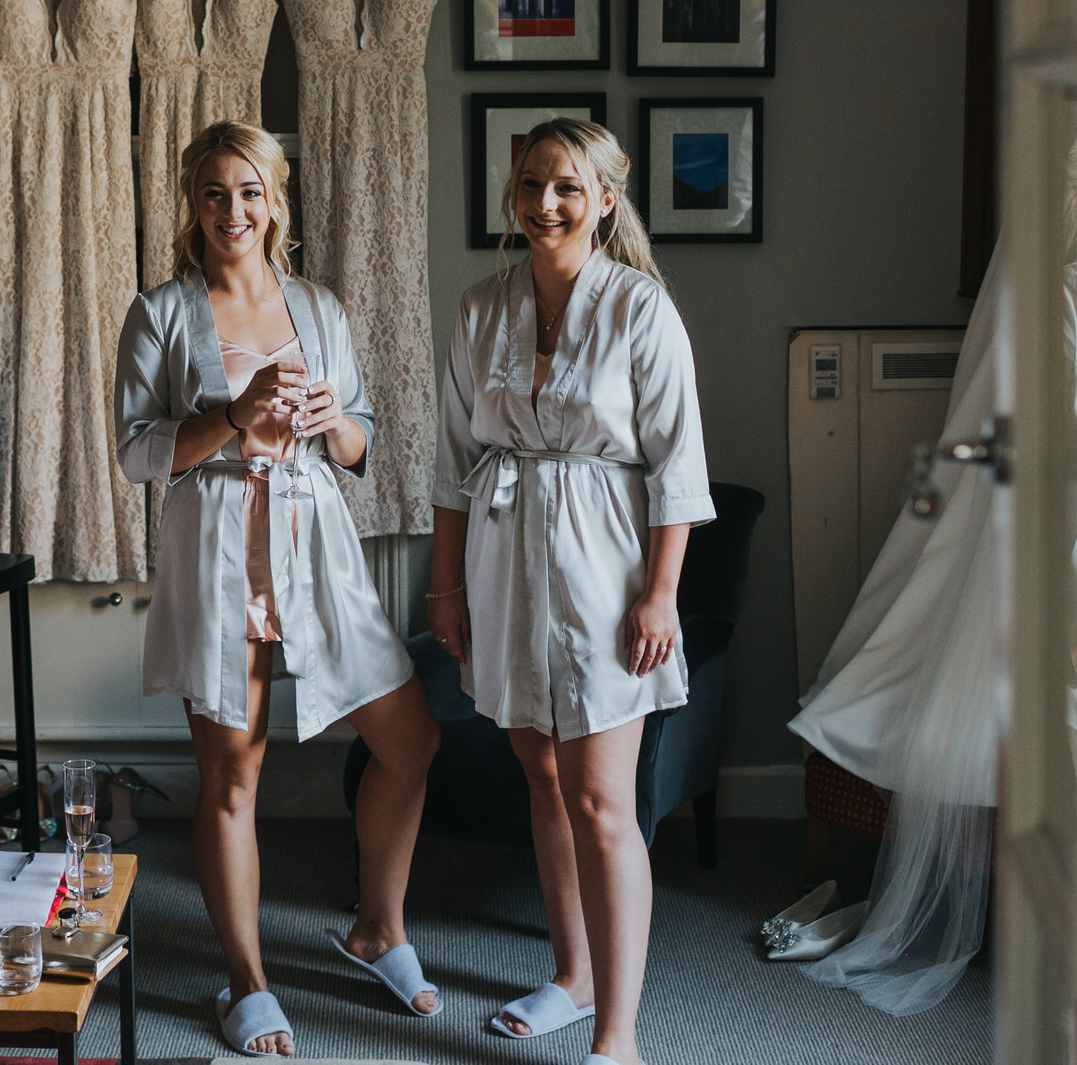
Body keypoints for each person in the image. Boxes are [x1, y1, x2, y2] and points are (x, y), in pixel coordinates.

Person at [115, 121, 442, 1058]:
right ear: (193, 203)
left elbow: (362, 442)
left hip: (314, 536)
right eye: (215, 193)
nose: (233, 210)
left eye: (249, 191)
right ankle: (246, 980)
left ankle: (379, 926)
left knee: (409, 738)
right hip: (217, 536)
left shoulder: (318, 306)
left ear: (275, 202)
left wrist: (334, 421)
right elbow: (138, 452)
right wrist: (229, 413)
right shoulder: (162, 312)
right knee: (233, 771)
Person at [428, 118, 714, 1065]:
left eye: (563, 186)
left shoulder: (640, 310)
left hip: (607, 564)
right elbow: (452, 465)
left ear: (603, 199)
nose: (542, 202)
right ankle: (571, 972)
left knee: (600, 799)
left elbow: (679, 466)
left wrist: (661, 592)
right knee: (540, 779)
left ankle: (617, 1034)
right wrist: (446, 589)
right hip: (504, 557)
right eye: (529, 185)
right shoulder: (480, 308)